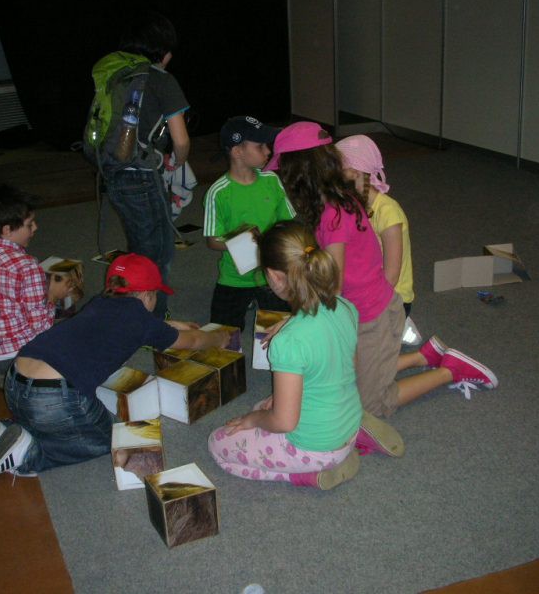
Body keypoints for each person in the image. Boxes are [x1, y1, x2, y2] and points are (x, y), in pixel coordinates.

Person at [267, 122, 498, 417]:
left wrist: (294, 321)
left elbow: (332, 287)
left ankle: (450, 370)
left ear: (298, 173)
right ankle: (422, 357)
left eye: (284, 173)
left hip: (372, 318)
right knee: (345, 378)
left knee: (372, 405)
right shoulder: (339, 198)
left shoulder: (332, 215)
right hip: (356, 313)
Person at [0, 253, 230, 485]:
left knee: (50, 422)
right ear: (146, 296)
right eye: (155, 296)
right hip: (56, 397)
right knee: (108, 439)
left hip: (15, 380)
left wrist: (172, 325)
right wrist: (218, 338)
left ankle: (3, 431)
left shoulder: (100, 303)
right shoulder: (141, 321)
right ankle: (27, 454)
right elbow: (193, 342)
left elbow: (137, 326)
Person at [208, 221, 405, 490]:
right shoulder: (345, 307)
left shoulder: (288, 342)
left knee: (218, 442)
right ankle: (355, 434)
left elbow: (284, 421)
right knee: (263, 406)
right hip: (347, 421)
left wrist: (251, 421)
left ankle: (307, 475)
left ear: (274, 276)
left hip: (315, 449)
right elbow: (346, 369)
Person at [102, 10, 190, 319]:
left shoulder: (116, 75)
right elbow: (181, 140)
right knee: (158, 251)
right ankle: (151, 317)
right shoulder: (161, 80)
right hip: (140, 177)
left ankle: (132, 308)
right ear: (163, 51)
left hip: (112, 170)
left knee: (140, 244)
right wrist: (178, 161)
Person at [0, 183, 71, 388]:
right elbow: (40, 328)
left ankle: (0, 375)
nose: (35, 228)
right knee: (76, 330)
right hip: (22, 356)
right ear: (7, 230)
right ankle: (22, 376)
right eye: (29, 224)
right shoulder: (26, 266)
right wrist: (53, 296)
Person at [203, 116, 296, 331]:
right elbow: (212, 241)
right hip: (234, 278)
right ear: (237, 151)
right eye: (260, 146)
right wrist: (245, 242)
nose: (268, 151)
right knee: (223, 338)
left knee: (282, 332)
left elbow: (287, 224)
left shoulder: (271, 180)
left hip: (272, 274)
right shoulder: (218, 192)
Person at [336, 135, 422, 345]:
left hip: (390, 298)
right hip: (363, 289)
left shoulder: (388, 212)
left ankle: (401, 325)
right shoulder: (350, 205)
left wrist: (362, 307)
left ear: (355, 171)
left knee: (353, 352)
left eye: (337, 167)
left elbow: (391, 276)